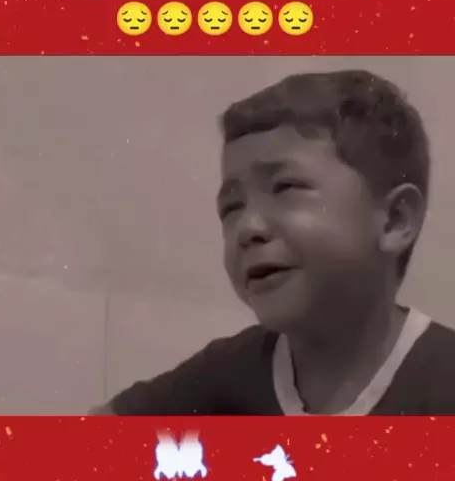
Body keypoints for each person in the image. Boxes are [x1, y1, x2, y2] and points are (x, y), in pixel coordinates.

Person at [91, 69, 455, 416]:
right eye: (231, 207)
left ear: (395, 220)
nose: (247, 227)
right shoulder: (226, 372)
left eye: (285, 187)